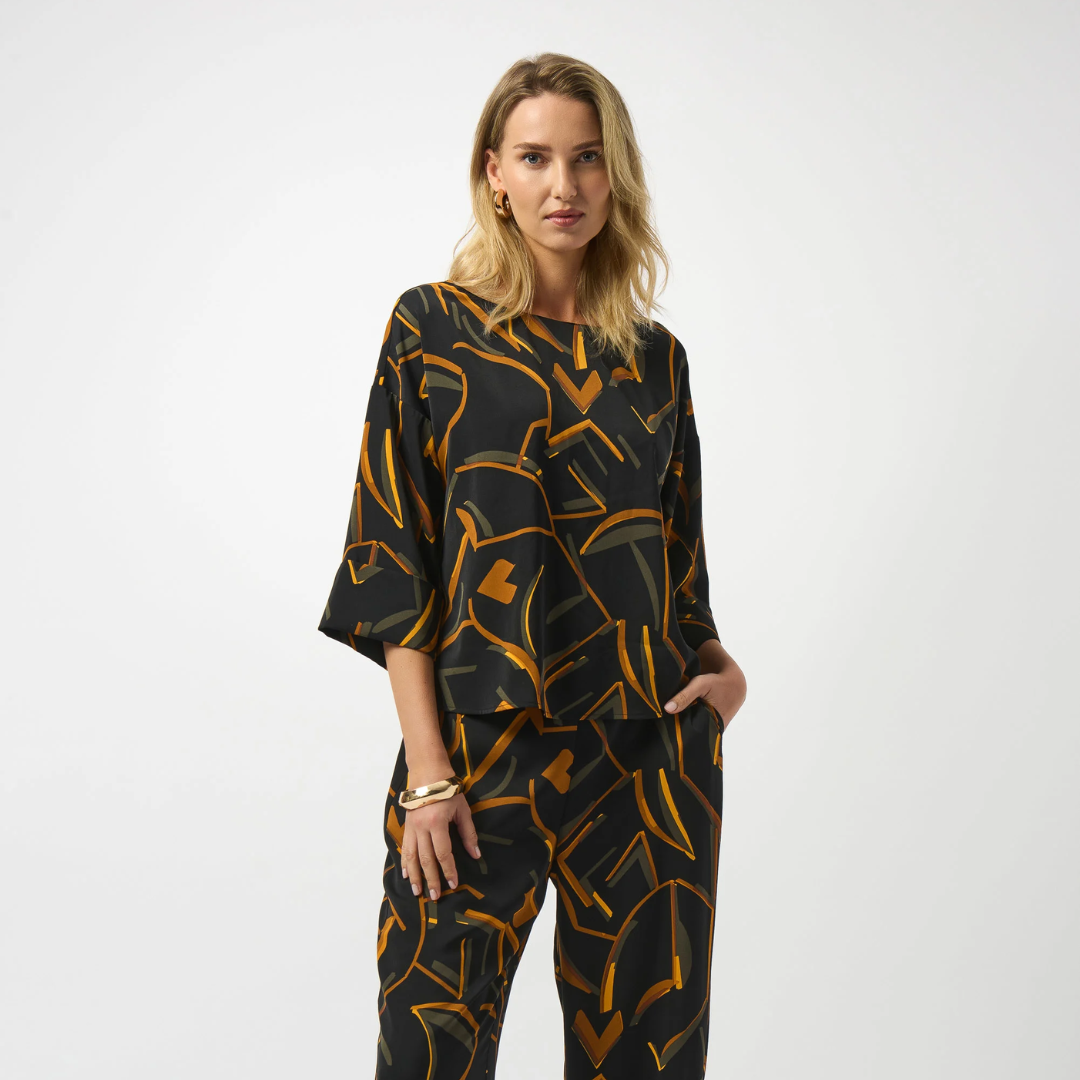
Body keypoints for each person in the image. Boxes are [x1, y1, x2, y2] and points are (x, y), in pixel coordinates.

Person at [317, 51, 747, 1080]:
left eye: (589, 158)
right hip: (475, 756)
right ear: (495, 174)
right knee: (429, 1053)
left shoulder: (655, 361)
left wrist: (722, 674)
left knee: (645, 1062)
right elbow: (393, 556)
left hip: (644, 761)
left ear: (617, 174)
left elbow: (678, 564)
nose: (566, 184)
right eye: (537, 157)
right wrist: (428, 774)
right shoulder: (433, 330)